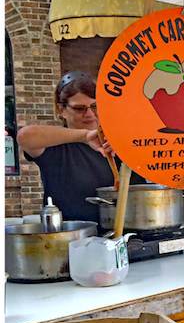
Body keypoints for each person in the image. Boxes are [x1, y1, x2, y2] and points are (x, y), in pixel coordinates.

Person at [16, 71, 132, 223]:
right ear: (62, 110)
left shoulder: (116, 141)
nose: (90, 114)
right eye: (79, 108)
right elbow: (24, 136)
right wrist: (84, 136)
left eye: (95, 106)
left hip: (125, 232)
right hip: (73, 234)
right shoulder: (55, 145)